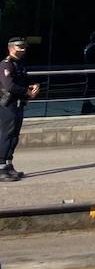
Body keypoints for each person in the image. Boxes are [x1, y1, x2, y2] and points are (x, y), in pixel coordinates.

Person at [0, 36, 40, 181]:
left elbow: (24, 80)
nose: (23, 49)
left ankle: (8, 165)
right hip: (8, 104)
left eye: (24, 47)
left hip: (18, 103)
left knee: (15, 136)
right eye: (19, 46)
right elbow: (9, 85)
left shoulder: (19, 64)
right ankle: (1, 167)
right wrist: (26, 92)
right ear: (11, 48)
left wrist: (33, 85)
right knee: (6, 135)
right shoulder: (6, 64)